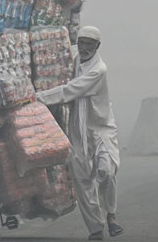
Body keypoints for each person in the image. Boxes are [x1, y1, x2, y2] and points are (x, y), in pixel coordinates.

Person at [35, 25, 123, 240]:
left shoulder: (99, 69)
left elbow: (71, 90)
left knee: (106, 171)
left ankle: (111, 213)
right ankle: (96, 228)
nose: (84, 48)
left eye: (89, 45)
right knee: (82, 180)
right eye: (81, 43)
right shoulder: (75, 61)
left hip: (100, 128)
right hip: (77, 127)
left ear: (97, 46)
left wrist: (38, 97)